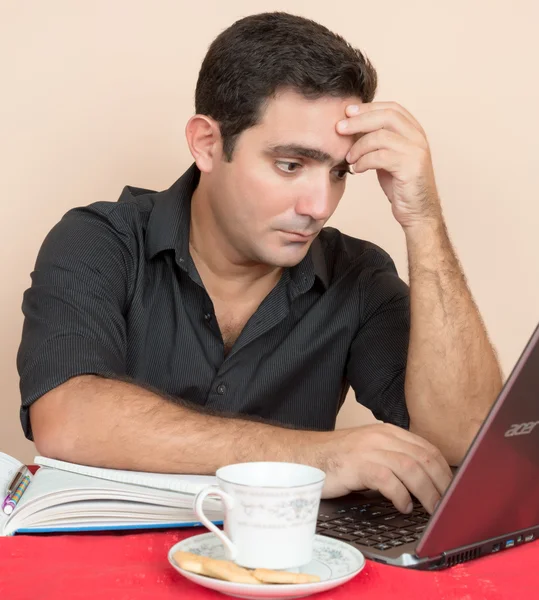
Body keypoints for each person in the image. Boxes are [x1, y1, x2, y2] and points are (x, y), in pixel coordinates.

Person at [17, 12, 502, 516]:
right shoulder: (101, 241)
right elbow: (67, 420)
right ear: (207, 143)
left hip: (292, 578)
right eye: (290, 165)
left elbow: (465, 442)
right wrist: (316, 457)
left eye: (338, 172)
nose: (319, 205)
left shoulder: (357, 277)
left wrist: (422, 220)